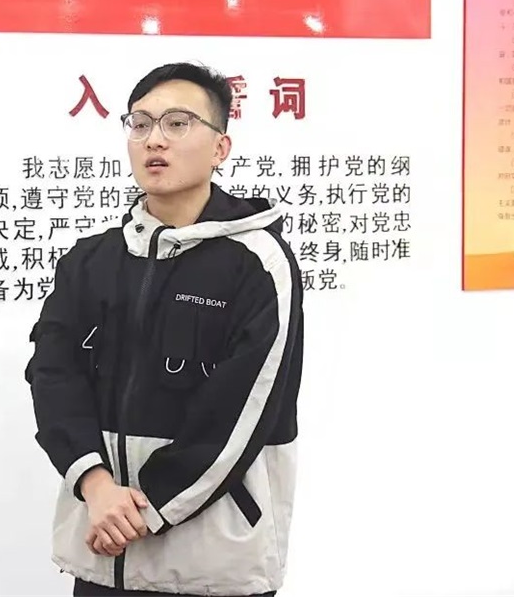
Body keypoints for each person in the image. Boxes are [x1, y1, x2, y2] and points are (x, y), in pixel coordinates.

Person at [24, 61, 305, 596]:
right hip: (103, 551)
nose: (154, 139)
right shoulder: (90, 261)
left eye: (178, 123)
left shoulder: (258, 263)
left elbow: (244, 412)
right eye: (140, 123)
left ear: (221, 148)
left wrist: (143, 510)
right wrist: (96, 486)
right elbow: (53, 375)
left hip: (211, 565)